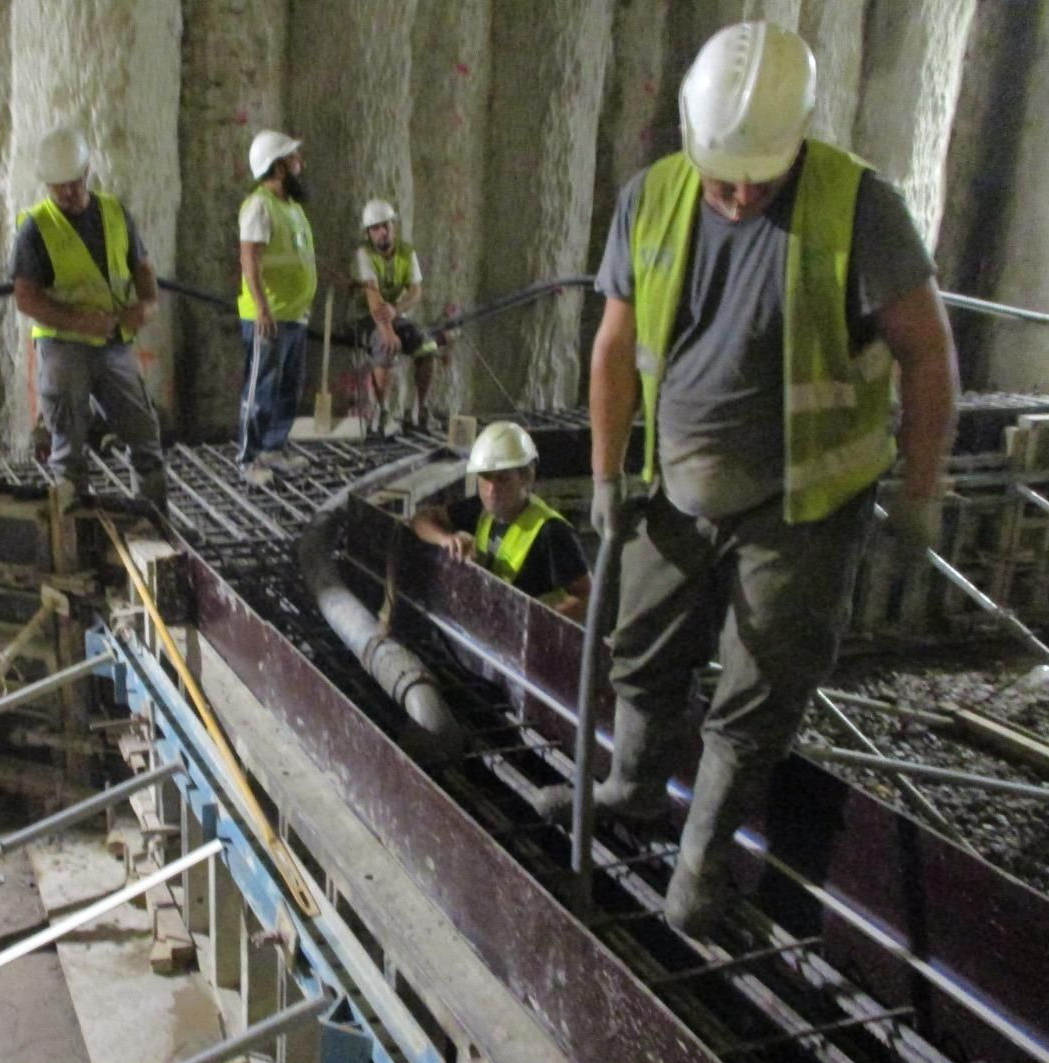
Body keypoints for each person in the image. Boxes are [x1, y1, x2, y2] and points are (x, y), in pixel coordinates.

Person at [584, 21, 958, 935]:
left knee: (758, 692)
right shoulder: (652, 199)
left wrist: (920, 486)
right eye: (726, 175)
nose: (744, 192)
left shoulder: (860, 209)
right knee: (638, 642)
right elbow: (616, 348)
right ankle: (630, 789)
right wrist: (604, 472)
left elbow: (927, 354)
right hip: (679, 490)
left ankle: (702, 870)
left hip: (805, 506)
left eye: (764, 173)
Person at [11, 126, 167, 512]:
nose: (66, 192)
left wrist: (146, 305)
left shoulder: (114, 213)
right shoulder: (35, 227)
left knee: (143, 433)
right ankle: (74, 530)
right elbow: (27, 298)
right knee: (68, 447)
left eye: (73, 182)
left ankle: (153, 517)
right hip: (64, 349)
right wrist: (79, 322)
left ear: (87, 172)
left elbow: (142, 267)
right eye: (57, 186)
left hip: (114, 344)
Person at [411, 421, 591, 619]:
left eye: (503, 478)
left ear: (526, 478)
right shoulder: (481, 509)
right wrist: (445, 539)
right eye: (485, 477)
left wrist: (538, 623)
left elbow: (586, 596)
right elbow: (421, 520)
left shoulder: (552, 532)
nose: (491, 489)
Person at [237, 129, 317, 486]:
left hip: (294, 315)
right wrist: (262, 309)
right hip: (269, 317)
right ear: (279, 167)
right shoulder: (259, 206)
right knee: (261, 389)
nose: (301, 165)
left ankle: (274, 447)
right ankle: (249, 457)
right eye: (294, 159)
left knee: (288, 387)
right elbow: (250, 260)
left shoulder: (291, 207)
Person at [352, 198, 447, 431]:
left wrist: (396, 309)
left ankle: (420, 409)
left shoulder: (406, 252)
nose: (382, 233)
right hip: (368, 318)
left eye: (386, 226)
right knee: (386, 346)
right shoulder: (364, 254)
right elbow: (373, 298)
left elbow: (415, 291)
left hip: (395, 314)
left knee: (426, 346)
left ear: (394, 226)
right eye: (376, 229)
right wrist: (387, 330)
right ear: (369, 233)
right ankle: (381, 411)